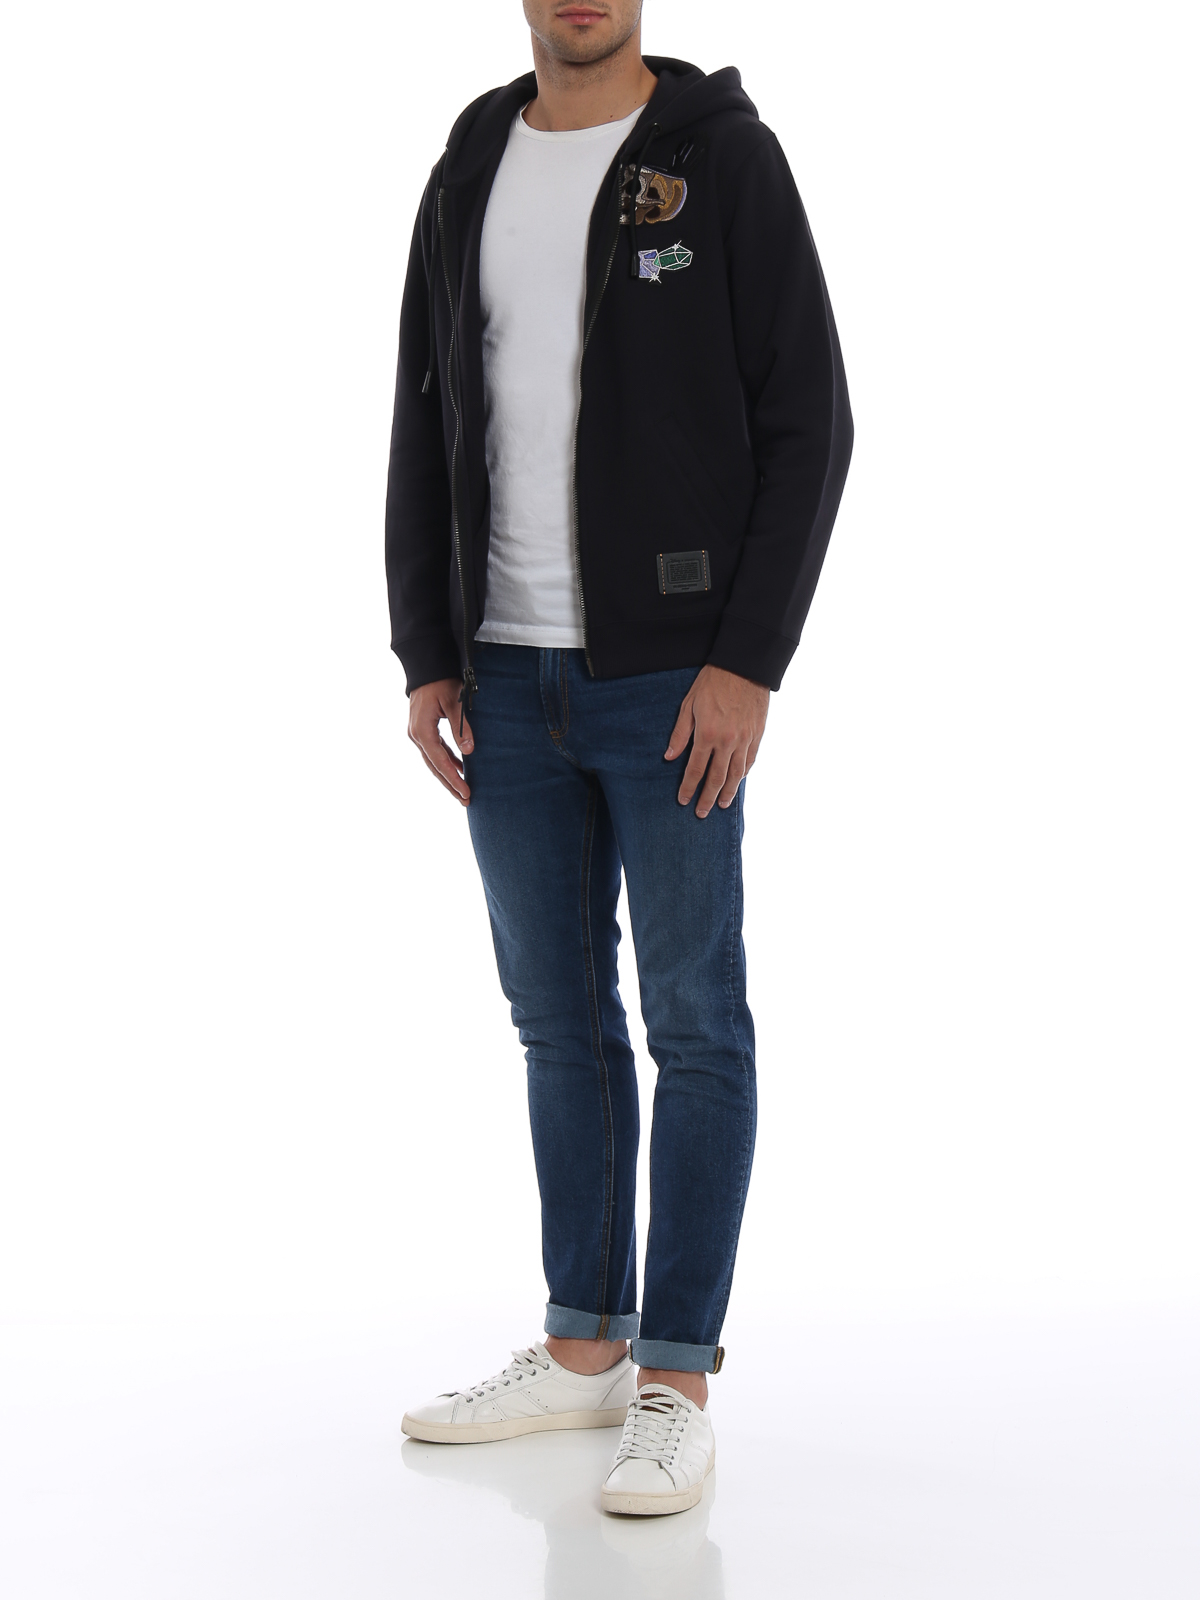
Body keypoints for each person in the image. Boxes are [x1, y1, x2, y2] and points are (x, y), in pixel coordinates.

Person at [387, 0, 851, 1516]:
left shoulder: (722, 160)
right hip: (503, 670)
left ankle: (677, 1378)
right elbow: (421, 411)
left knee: (695, 1021)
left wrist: (749, 661)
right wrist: (427, 648)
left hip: (671, 678)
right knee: (556, 1021)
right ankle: (583, 1344)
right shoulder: (470, 160)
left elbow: (812, 422)